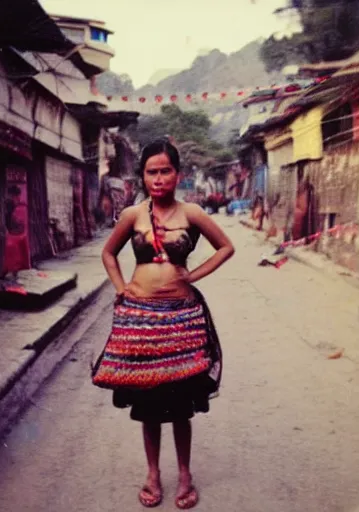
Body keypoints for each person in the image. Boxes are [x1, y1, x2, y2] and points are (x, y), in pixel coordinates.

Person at [97, 139, 235, 509]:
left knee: (181, 406)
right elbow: (108, 253)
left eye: (165, 171)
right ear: (143, 176)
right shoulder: (131, 216)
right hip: (141, 319)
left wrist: (194, 275)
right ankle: (153, 474)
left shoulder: (191, 213)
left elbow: (226, 247)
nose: (158, 179)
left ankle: (185, 475)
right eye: (151, 172)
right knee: (149, 405)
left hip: (182, 319)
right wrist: (122, 287)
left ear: (178, 174)